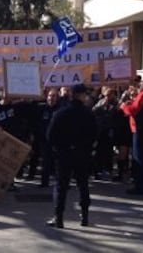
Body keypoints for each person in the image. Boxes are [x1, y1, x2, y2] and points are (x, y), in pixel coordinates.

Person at [46, 84, 97, 228]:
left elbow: (50, 136)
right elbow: (94, 134)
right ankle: (85, 216)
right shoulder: (88, 114)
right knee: (83, 185)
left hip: (64, 154)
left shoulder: (61, 113)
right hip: (82, 154)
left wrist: (58, 149)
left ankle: (59, 217)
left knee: (61, 186)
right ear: (81, 96)